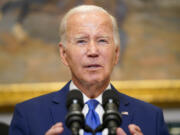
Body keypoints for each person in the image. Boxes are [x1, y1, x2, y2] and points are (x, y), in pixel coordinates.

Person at [9, 5, 169, 135]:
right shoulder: (28, 116)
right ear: (64, 54)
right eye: (81, 41)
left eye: (102, 40)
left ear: (116, 53)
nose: (93, 51)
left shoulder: (150, 118)